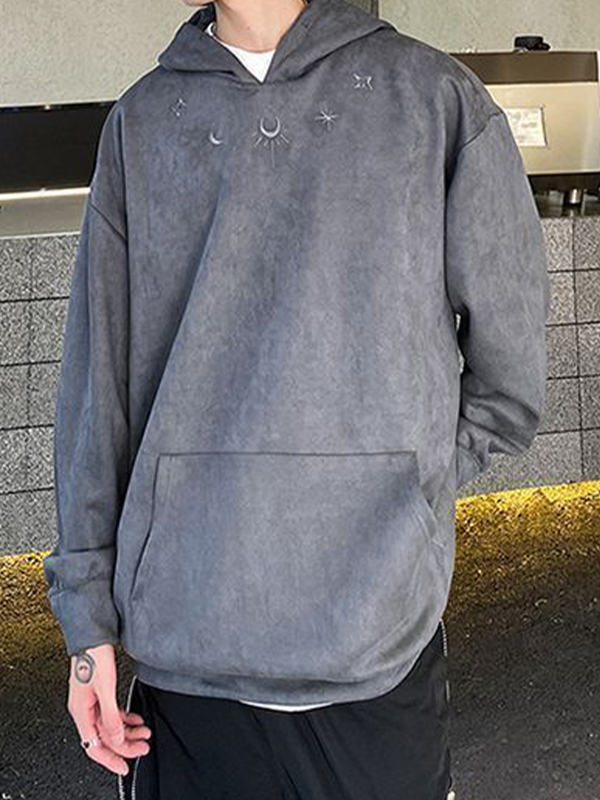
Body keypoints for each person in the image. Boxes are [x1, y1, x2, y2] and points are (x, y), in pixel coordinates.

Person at [42, 0, 550, 797]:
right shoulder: (142, 124)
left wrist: (399, 487)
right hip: (187, 663)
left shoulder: (435, 101)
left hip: (376, 659)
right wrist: (86, 629)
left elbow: (510, 381)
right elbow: (95, 394)